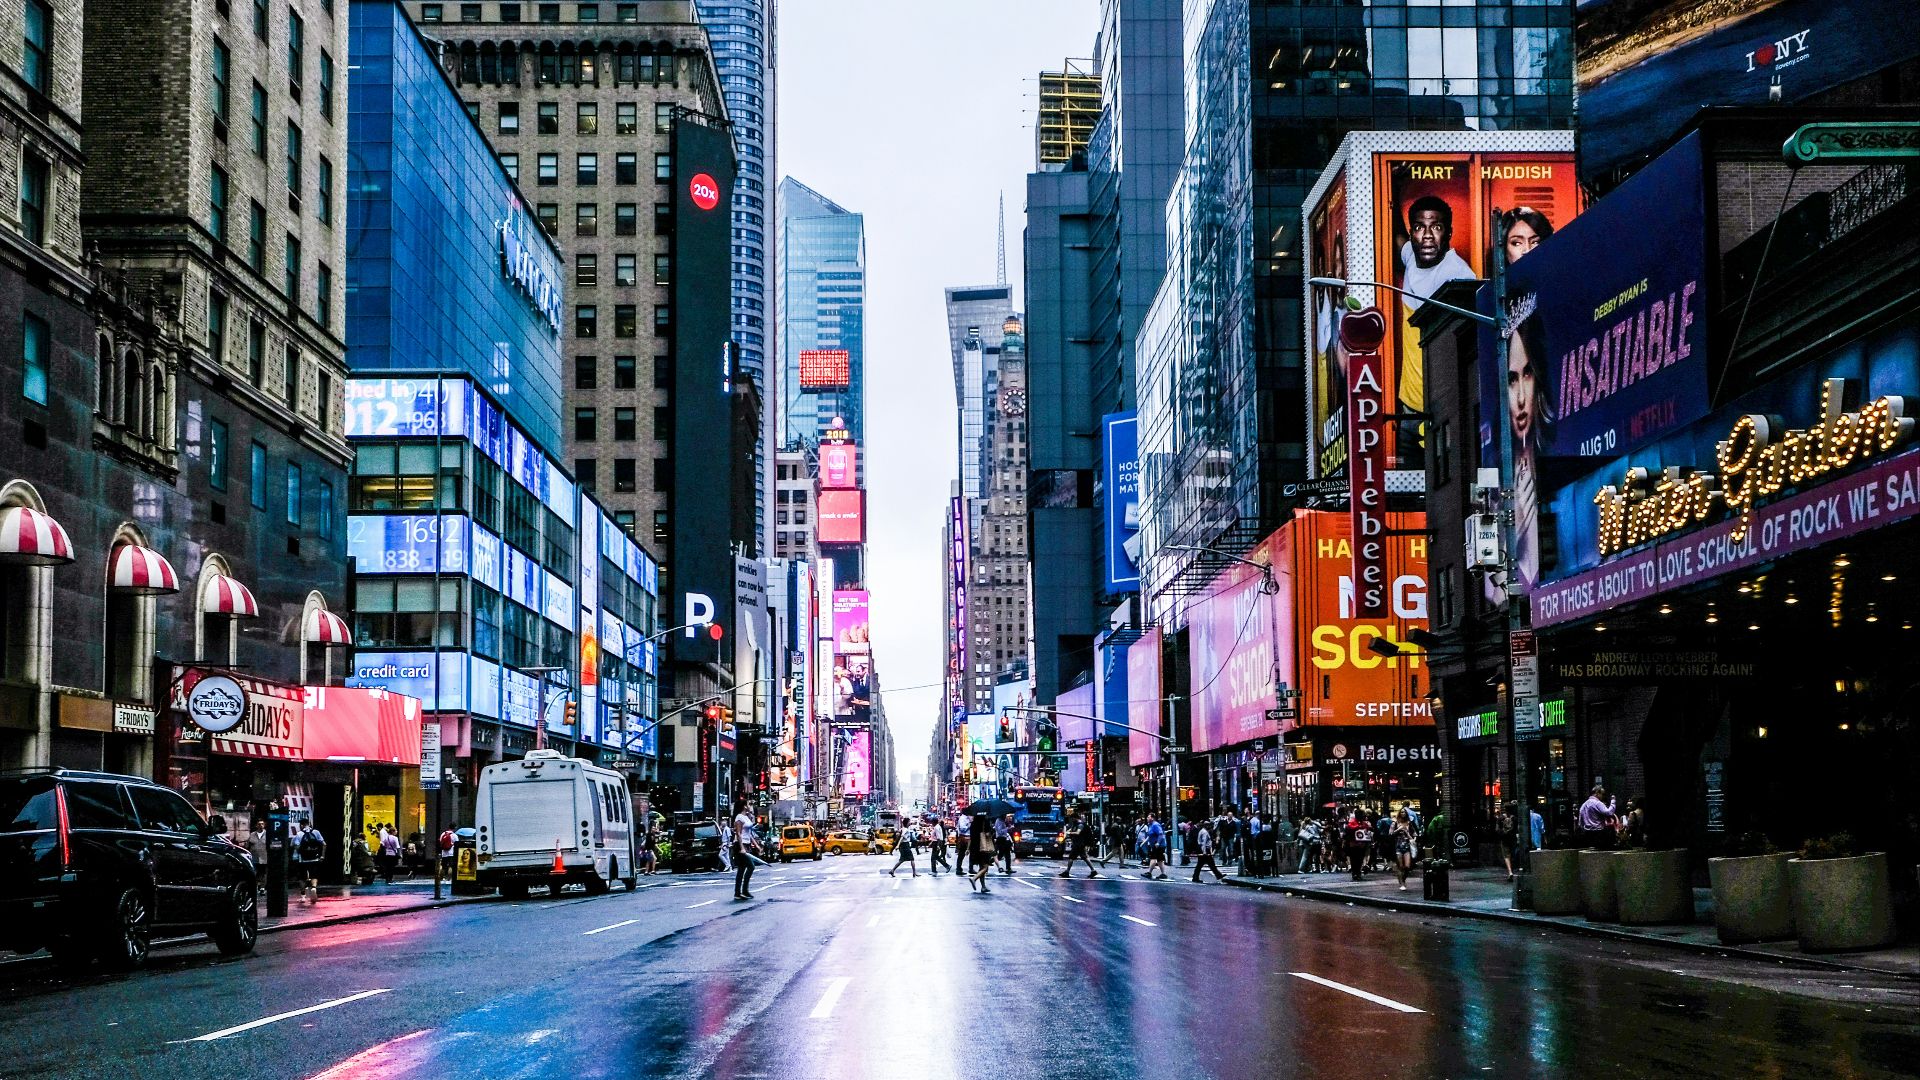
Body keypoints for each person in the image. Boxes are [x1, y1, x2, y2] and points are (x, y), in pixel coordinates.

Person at [295, 819, 326, 904]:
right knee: (314, 875)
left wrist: (299, 853)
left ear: (301, 825)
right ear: (309, 824)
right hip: (314, 858)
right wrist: (322, 855)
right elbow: (324, 844)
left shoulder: (299, 834)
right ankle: (313, 888)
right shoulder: (316, 832)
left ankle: (303, 896)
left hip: (303, 860)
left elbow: (297, 847)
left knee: (302, 878)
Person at [1059, 811, 1099, 878]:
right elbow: (1070, 829)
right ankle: (1093, 871)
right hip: (1078, 843)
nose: (1071, 820)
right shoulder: (1075, 824)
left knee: (1071, 857)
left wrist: (1069, 833)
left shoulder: (1080, 824)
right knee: (1085, 857)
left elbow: (1078, 833)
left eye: (1072, 818)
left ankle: (1067, 871)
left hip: (1079, 844)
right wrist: (1066, 832)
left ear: (1075, 818)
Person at [1578, 785, 1618, 849]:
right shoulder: (1597, 803)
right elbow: (1609, 812)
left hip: (1587, 834)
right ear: (1597, 793)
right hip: (1599, 833)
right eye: (1603, 794)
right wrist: (1613, 801)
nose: (1603, 796)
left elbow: (1580, 823)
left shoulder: (1583, 805)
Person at [732, 807, 759, 899]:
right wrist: (742, 848)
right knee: (751, 866)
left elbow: (749, 834)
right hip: (740, 844)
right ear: (743, 806)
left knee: (741, 869)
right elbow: (738, 833)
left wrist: (757, 845)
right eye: (748, 804)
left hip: (747, 844)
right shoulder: (739, 817)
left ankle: (739, 893)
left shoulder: (746, 817)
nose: (750, 806)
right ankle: (743, 890)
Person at [1392, 807, 1418, 891]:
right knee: (1400, 866)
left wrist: (1407, 833)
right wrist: (1398, 829)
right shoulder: (1395, 823)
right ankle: (1401, 883)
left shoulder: (1409, 823)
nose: (1403, 813)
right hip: (1398, 846)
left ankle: (1403, 879)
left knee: (1407, 866)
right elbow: (1390, 833)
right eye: (1401, 812)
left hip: (1407, 846)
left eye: (1404, 812)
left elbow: (1414, 835)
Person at [967, 814, 995, 893]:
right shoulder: (984, 822)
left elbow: (971, 837)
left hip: (974, 848)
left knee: (981, 866)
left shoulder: (973, 824)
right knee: (985, 867)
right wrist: (991, 831)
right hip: (983, 847)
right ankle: (974, 878)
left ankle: (983, 887)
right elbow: (987, 834)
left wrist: (968, 849)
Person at [1344, 810, 1374, 881]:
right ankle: (1355, 873)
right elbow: (1349, 830)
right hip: (1354, 844)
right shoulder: (1352, 823)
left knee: (1360, 859)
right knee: (1354, 859)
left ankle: (1358, 873)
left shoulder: (1364, 823)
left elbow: (1369, 830)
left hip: (1362, 844)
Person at [1499, 805, 1521, 881]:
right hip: (1513, 839)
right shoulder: (1515, 818)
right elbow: (1518, 829)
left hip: (1504, 839)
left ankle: (1510, 872)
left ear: (1505, 810)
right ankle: (1515, 870)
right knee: (1513, 854)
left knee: (1506, 856)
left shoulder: (1501, 818)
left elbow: (1497, 829)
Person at [1143, 814, 1168, 880]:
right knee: (1160, 860)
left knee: (1153, 858)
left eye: (1148, 817)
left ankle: (1149, 873)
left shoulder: (1155, 825)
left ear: (1152, 818)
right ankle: (1163, 874)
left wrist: (1158, 843)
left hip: (1158, 845)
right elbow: (1150, 836)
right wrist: (1144, 842)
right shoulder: (1150, 825)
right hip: (1155, 845)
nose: (1147, 818)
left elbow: (1160, 834)